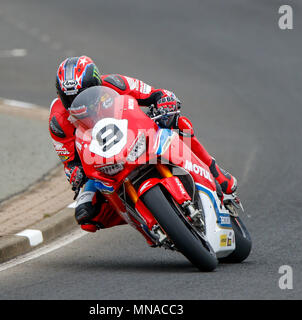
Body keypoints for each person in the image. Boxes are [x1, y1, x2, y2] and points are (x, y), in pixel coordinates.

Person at [49, 56, 237, 235]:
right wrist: (74, 172)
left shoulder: (115, 83)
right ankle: (146, 220)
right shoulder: (57, 121)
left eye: (84, 93)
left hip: (139, 137)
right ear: (60, 95)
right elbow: (70, 161)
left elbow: (154, 94)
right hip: (101, 160)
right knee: (86, 216)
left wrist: (165, 101)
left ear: (96, 83)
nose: (77, 102)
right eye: (70, 98)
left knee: (179, 124)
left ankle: (216, 174)